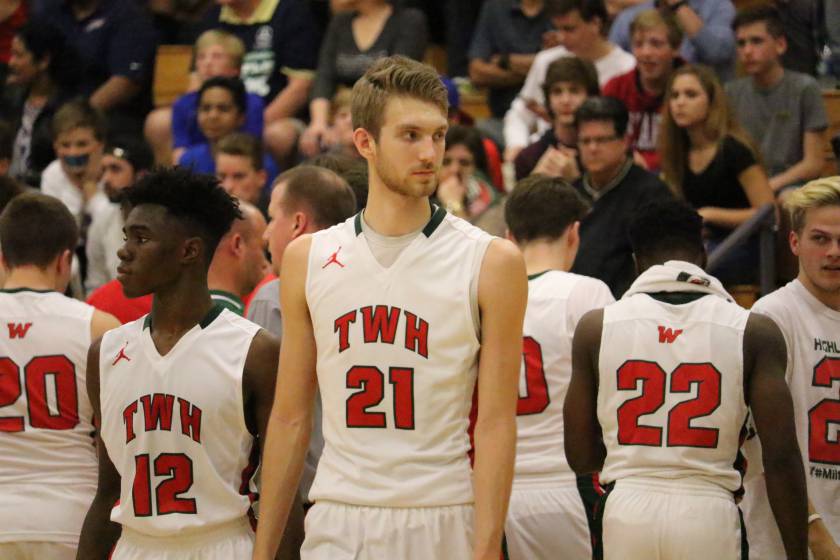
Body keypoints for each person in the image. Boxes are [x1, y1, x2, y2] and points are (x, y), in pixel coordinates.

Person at [253, 55, 528, 560]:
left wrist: (488, 548)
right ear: (365, 142)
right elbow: (290, 419)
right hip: (338, 512)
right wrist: (263, 551)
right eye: (410, 135)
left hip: (441, 514)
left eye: (439, 135)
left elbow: (494, 423)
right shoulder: (308, 258)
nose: (430, 152)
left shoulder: (490, 260)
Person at [75, 168, 303, 559]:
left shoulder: (255, 352)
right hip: (136, 546)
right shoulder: (107, 352)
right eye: (127, 236)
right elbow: (107, 496)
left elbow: (284, 497)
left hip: (221, 545)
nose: (124, 250)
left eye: (142, 238)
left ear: (189, 251)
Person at [563, 197, 809, 560]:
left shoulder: (595, 327)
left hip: (627, 509)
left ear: (635, 262)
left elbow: (580, 454)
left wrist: (636, 455)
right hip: (709, 510)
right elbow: (782, 456)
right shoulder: (754, 330)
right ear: (704, 255)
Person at [0, 192, 120, 559]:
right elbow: (116, 440)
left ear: (2, 258)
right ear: (66, 261)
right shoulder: (98, 326)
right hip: (72, 516)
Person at [503, 174, 614, 560]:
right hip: (569, 483)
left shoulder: (482, 296)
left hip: (496, 488)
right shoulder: (587, 292)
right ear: (574, 233)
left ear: (509, 236)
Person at [740, 177, 840, 560]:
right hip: (786, 543)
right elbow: (761, 445)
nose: (833, 251)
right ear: (795, 243)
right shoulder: (772, 316)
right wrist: (816, 536)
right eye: (820, 239)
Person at [247, 164, 357, 506]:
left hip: (304, 496)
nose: (265, 235)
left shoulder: (275, 296)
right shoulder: (376, 285)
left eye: (271, 219)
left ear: (296, 224)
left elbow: (265, 418)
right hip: (370, 486)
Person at [659, 64, 774, 285]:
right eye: (674, 95)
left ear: (712, 102)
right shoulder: (678, 152)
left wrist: (711, 215)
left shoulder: (734, 150)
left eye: (690, 95)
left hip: (743, 246)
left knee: (682, 277)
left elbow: (768, 212)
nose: (680, 102)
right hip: (701, 244)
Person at [502, 0, 635, 161]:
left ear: (595, 23)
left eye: (569, 29)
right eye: (557, 29)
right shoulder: (546, 60)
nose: (561, 37)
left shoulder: (627, 67)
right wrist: (517, 145)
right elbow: (520, 113)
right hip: (545, 151)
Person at [568, 95, 671, 297]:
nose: (593, 148)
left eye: (601, 140)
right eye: (585, 141)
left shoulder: (652, 194)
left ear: (624, 141)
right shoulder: (570, 194)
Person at [196, 0, 321, 163]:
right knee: (161, 123)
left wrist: (250, 127)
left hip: (275, 116)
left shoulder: (291, 12)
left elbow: (300, 88)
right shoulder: (212, 16)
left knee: (277, 135)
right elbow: (196, 80)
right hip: (223, 111)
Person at [300, 0, 427, 157]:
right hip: (341, 115)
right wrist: (319, 123)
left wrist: (354, 120)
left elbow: (395, 82)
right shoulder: (340, 22)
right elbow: (324, 77)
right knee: (312, 142)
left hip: (384, 114)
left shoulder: (409, 20)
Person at [725, 4, 828, 194]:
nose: (747, 51)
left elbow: (813, 163)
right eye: (741, 43)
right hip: (746, 185)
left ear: (780, 45)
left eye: (756, 41)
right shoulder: (731, 92)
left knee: (786, 198)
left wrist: (766, 187)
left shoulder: (804, 88)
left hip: (791, 187)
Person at [145, 29, 265, 166]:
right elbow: (180, 150)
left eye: (217, 57)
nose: (207, 63)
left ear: (236, 69)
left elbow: (251, 147)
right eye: (201, 57)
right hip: (197, 164)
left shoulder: (252, 102)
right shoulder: (183, 103)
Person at [36, 0, 157, 134]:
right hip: (57, 108)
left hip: (109, 117)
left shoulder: (128, 16)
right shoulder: (52, 11)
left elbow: (126, 81)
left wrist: (78, 116)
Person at [603, 8, 683, 172]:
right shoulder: (615, 88)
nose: (646, 53)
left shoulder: (691, 88)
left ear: (675, 48)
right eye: (638, 44)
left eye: (656, 44)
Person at [467, 0, 555, 147]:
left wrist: (505, 61)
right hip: (501, 120)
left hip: (552, 123)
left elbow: (565, 61)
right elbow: (477, 73)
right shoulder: (495, 6)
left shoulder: (563, 7)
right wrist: (540, 67)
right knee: (474, 134)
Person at [3, 21, 78, 186]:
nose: (11, 62)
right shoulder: (10, 99)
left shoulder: (68, 109)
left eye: (19, 55)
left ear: (44, 60)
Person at [85, 136, 154, 293]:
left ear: (141, 175)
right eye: (104, 170)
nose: (106, 179)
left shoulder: (165, 223)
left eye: (115, 170)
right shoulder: (103, 218)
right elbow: (95, 286)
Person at [514, 56, 598, 180]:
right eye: (557, 92)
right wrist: (535, 183)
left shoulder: (603, 154)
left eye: (574, 91)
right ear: (548, 99)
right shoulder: (529, 157)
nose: (565, 101)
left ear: (590, 96)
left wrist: (576, 181)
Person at [609, 0, 736, 80]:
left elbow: (718, 53)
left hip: (705, 107)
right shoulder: (628, 17)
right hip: (643, 103)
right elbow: (612, 66)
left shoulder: (718, 6)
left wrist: (679, 5)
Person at [178, 77, 278, 179]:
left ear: (240, 117)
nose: (213, 116)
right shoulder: (189, 161)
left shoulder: (262, 163)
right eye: (206, 108)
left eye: (223, 109)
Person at [40, 98, 108, 228]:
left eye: (82, 144)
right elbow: (58, 231)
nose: (73, 153)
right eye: (65, 145)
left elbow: (109, 228)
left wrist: (90, 185)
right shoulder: (52, 174)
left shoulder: (114, 174)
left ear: (100, 144)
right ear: (55, 146)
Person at [208, 200, 268, 315]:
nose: (265, 263)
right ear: (237, 245)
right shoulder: (244, 327)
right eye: (262, 249)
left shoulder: (168, 316)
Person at [435, 125, 501, 221]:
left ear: (476, 168)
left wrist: (454, 205)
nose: (455, 169)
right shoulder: (419, 200)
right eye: (446, 162)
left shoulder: (488, 197)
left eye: (464, 163)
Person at [215, 132, 272, 214]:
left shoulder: (276, 219)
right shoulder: (204, 219)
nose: (228, 187)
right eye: (222, 176)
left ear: (261, 178)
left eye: (239, 177)